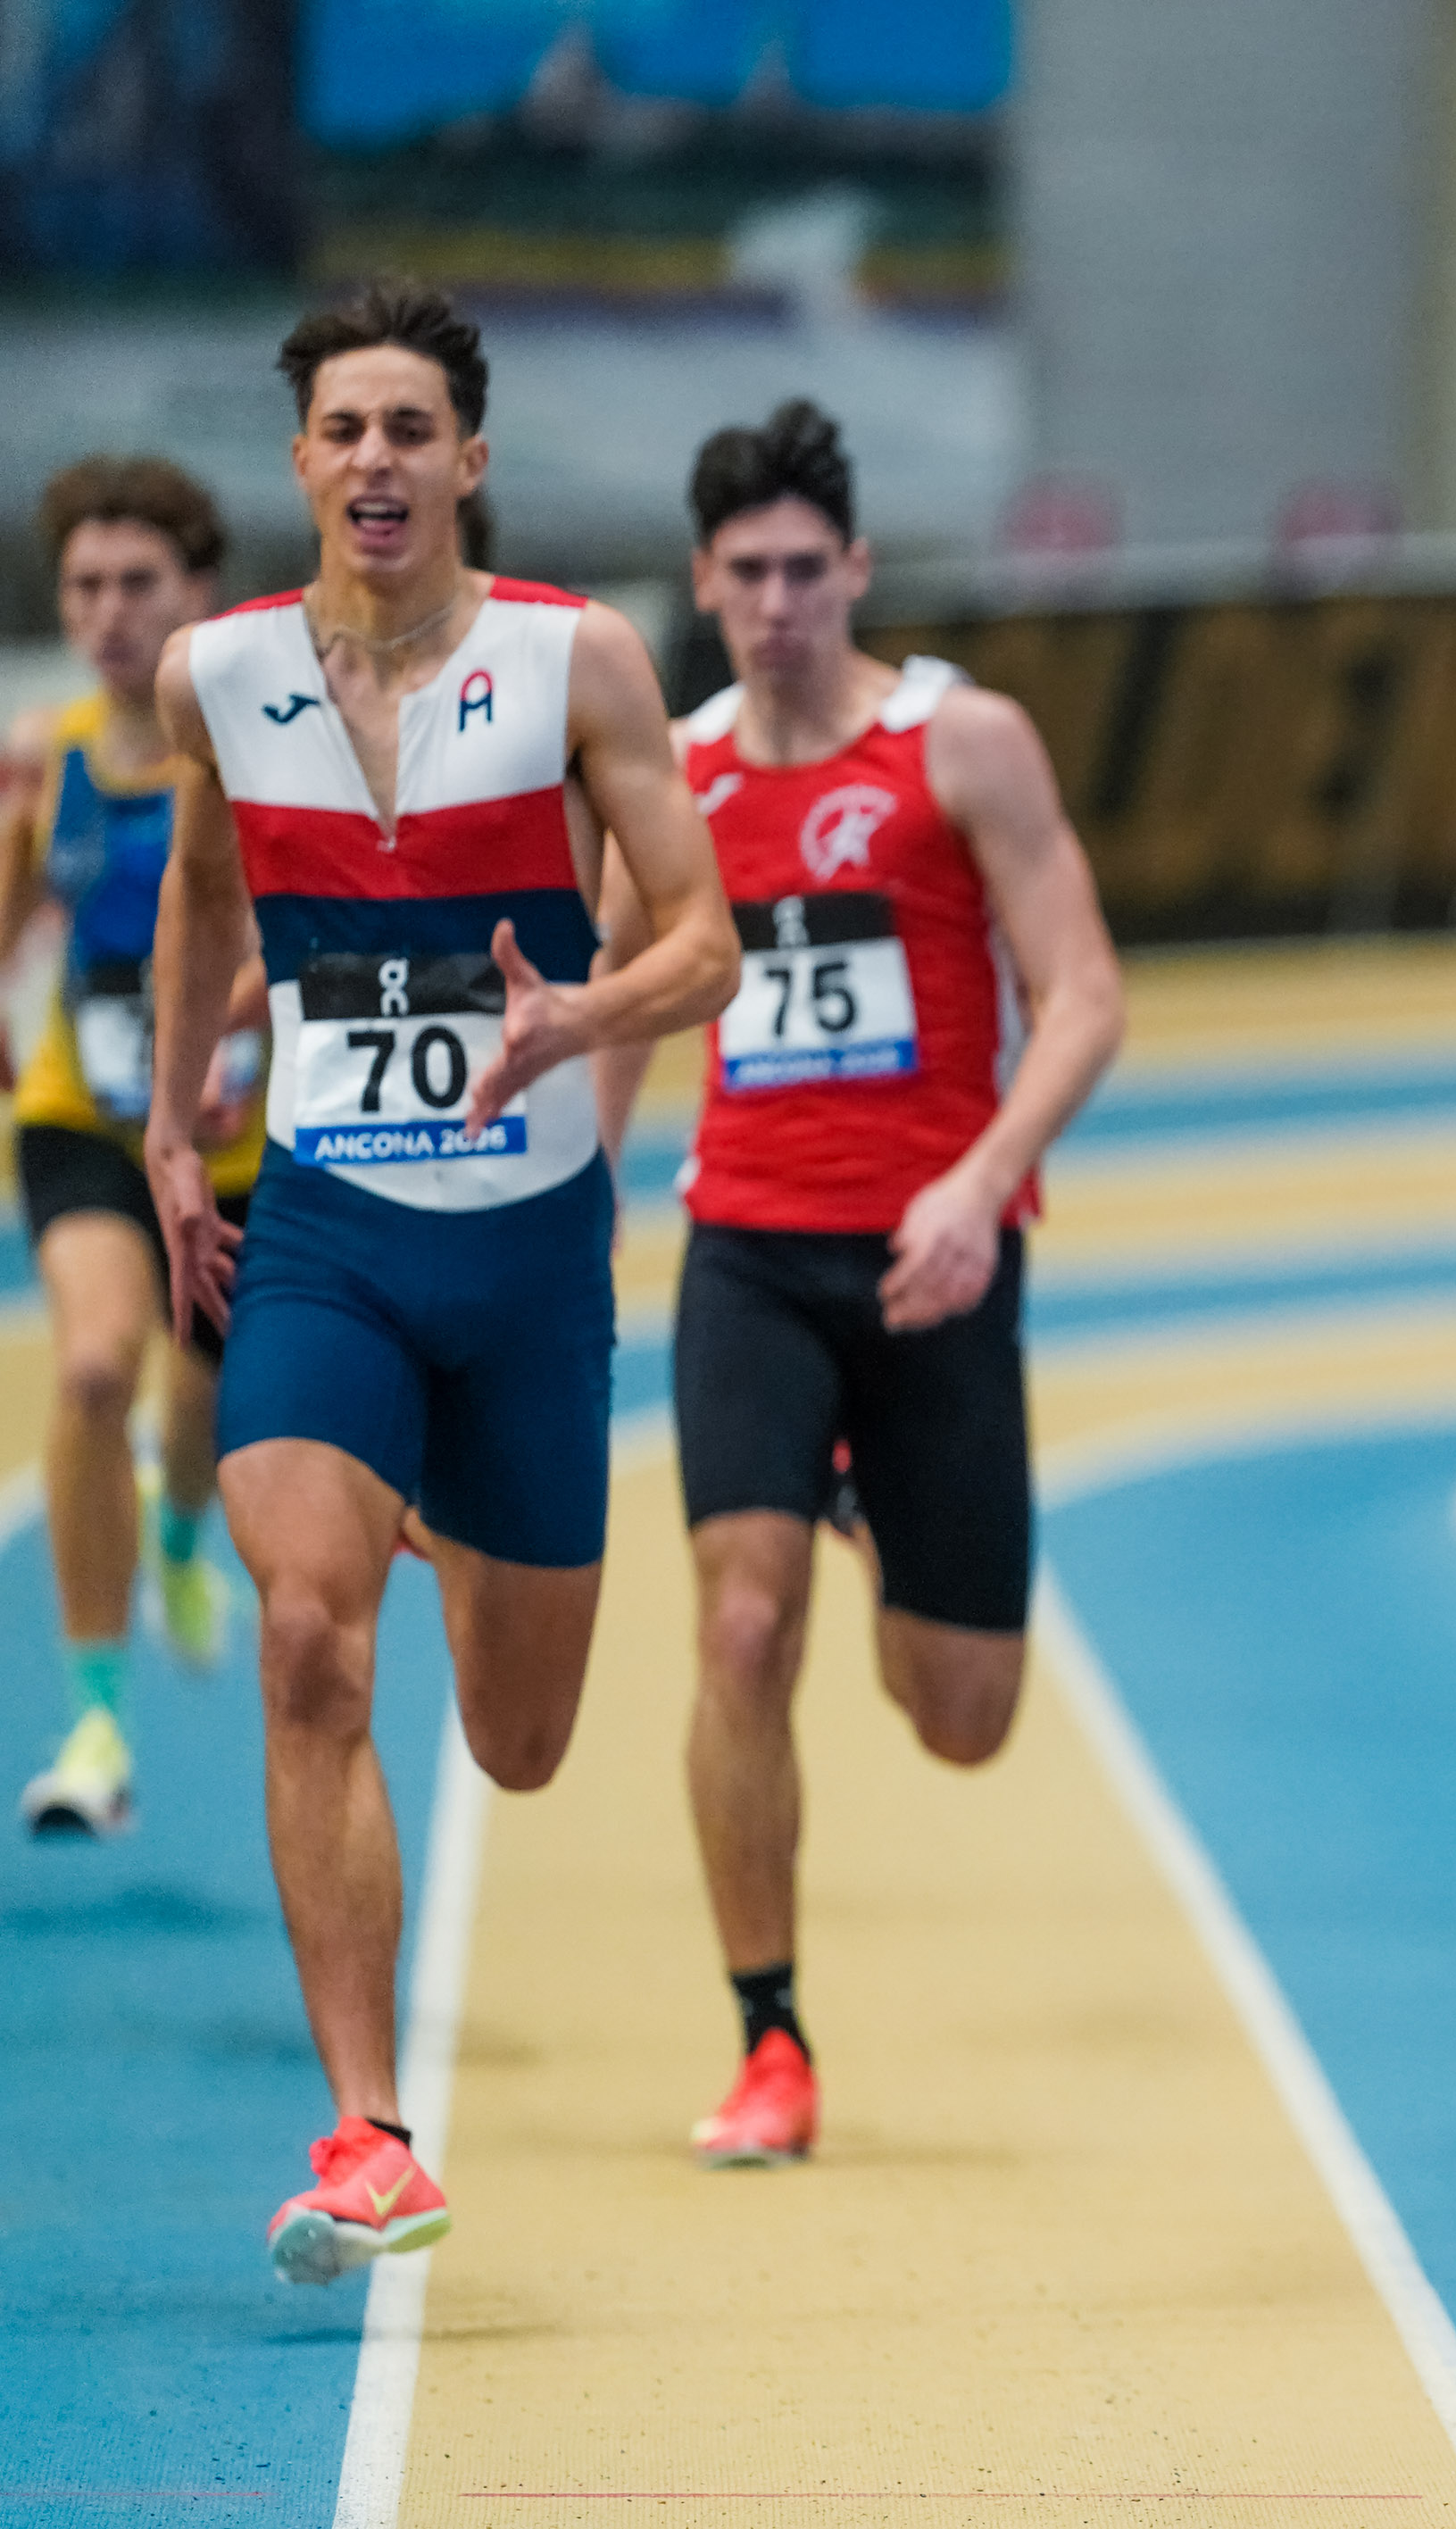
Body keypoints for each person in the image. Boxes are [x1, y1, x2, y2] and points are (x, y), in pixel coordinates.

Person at [139, 280, 740, 2282]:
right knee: (310, 1638)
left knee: (520, 1739)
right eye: (346, 429)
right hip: (326, 1230)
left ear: (468, 459)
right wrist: (170, 1124)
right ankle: (370, 2132)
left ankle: (454, 1512)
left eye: (412, 428)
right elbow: (201, 889)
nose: (377, 460)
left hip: (527, 1250)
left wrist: (580, 1016)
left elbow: (708, 943)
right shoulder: (222, 676)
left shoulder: (578, 658)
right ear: (301, 462)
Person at [589, 401, 1126, 2170]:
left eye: (806, 569)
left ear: (859, 570)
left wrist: (982, 1182)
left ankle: (867, 1500)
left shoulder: (962, 744)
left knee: (962, 1716)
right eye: (746, 572)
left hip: (935, 1262)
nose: (777, 603)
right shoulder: (666, 775)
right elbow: (614, 1008)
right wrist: (573, 1212)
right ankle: (770, 2037)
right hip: (748, 1253)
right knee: (739, 1628)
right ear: (702, 581)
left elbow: (1086, 997)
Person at [6, 459, 265, 1837]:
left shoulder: (259, 752)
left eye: (137, 583)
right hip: (87, 1121)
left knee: (201, 1413)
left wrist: (228, 1030)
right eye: (85, 586)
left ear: (196, 592)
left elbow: (306, 928)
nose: (108, 612)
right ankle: (96, 1721)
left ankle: (177, 1535)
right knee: (98, 1365)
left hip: (236, 1149)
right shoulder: (44, 754)